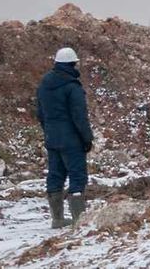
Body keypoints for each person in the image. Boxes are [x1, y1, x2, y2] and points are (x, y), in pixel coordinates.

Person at [36, 47, 94, 228]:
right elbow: (79, 116)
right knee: (78, 177)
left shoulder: (44, 85)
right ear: (71, 64)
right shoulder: (72, 86)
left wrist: (49, 131)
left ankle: (58, 219)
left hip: (52, 138)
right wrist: (87, 138)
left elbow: (40, 113)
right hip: (71, 140)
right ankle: (79, 220)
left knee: (55, 175)